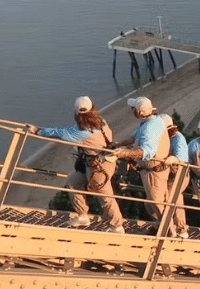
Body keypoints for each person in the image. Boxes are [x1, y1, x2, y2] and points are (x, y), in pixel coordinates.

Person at [28, 96, 124, 233]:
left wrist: (38, 131)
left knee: (105, 197)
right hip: (100, 162)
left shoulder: (81, 132)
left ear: (76, 113)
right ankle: (83, 216)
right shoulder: (100, 121)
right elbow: (68, 131)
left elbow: (60, 133)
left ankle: (117, 226)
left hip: (98, 167)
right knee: (73, 182)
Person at [111, 97, 173, 227]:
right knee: (154, 201)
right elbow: (134, 137)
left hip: (154, 171)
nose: (132, 110)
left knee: (156, 202)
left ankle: (167, 229)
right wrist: (118, 145)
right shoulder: (150, 122)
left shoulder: (150, 128)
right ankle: (162, 225)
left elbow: (147, 151)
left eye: (133, 108)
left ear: (139, 112)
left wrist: (124, 153)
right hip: (150, 170)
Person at [162, 115, 190, 239]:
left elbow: (181, 158)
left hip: (179, 175)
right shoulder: (167, 138)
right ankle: (180, 229)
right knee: (176, 200)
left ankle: (170, 228)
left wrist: (170, 159)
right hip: (171, 175)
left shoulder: (178, 139)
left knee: (168, 199)